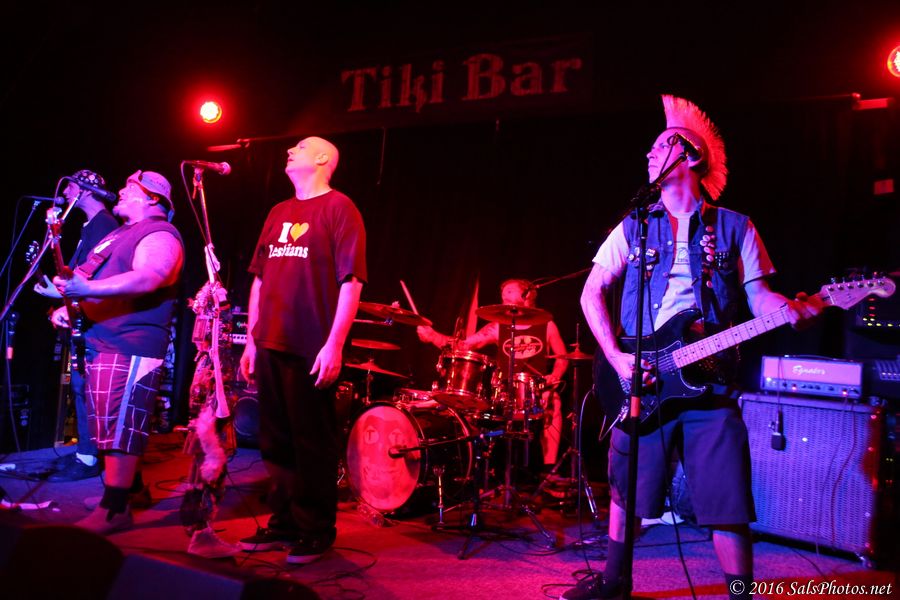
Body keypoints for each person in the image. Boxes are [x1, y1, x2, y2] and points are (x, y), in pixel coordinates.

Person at [563, 95, 824, 600]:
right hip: (641, 374)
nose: (648, 154)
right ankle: (614, 583)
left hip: (712, 376)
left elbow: (760, 297)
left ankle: (740, 592)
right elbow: (591, 292)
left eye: (659, 145)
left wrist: (791, 308)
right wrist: (617, 358)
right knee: (627, 487)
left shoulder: (736, 226)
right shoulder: (634, 224)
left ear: (690, 156)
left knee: (727, 499)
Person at [238, 136, 366, 564]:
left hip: (311, 344)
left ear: (323, 158)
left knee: (310, 441)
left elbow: (352, 281)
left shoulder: (340, 208)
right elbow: (259, 279)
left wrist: (335, 344)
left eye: (301, 146)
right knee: (275, 441)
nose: (291, 150)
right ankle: (284, 523)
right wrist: (252, 339)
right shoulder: (278, 212)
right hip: (269, 340)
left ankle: (315, 530)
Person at [51, 170, 183, 534]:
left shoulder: (159, 232)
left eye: (130, 187)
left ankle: (115, 508)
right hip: (103, 339)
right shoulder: (118, 234)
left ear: (153, 198)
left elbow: (151, 276)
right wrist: (68, 303)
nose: (120, 191)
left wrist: (84, 292)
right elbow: (90, 281)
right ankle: (132, 490)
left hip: (131, 341)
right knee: (110, 420)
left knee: (121, 423)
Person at [418, 278, 569, 465]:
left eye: (510, 291)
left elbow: (562, 358)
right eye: (503, 293)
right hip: (504, 391)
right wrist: (433, 337)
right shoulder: (498, 326)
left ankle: (549, 469)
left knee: (554, 402)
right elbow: (464, 346)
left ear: (527, 295)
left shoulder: (547, 325)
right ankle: (476, 464)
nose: (504, 295)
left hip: (536, 390)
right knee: (472, 406)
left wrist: (554, 378)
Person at [35, 169, 119, 482]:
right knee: (80, 386)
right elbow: (79, 274)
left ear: (85, 190)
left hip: (98, 322)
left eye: (70, 187)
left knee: (87, 387)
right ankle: (86, 451)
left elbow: (100, 276)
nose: (65, 192)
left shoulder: (104, 225)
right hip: (86, 315)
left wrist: (68, 302)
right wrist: (56, 293)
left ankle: (90, 456)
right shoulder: (90, 226)